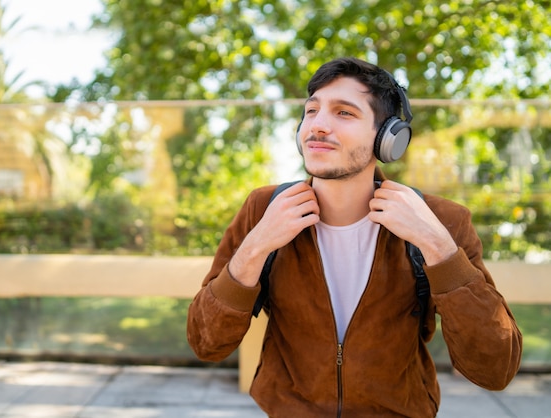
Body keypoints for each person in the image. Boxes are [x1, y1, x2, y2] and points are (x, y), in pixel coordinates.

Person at [186, 57, 522, 417]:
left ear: (387, 138)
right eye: (311, 111)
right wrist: (255, 246)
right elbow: (207, 344)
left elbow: (494, 369)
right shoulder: (263, 208)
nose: (318, 125)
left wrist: (438, 246)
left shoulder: (443, 220)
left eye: (344, 113)